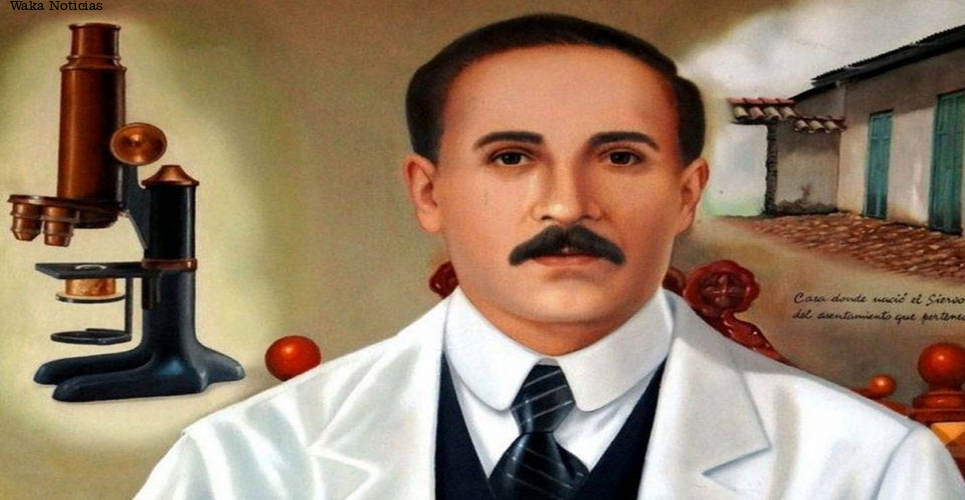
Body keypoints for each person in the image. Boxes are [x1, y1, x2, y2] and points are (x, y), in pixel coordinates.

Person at [135, 13, 965, 499]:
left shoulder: (866, 468)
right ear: (429, 192)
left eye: (620, 157)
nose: (567, 205)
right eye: (510, 157)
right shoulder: (247, 463)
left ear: (686, 194)